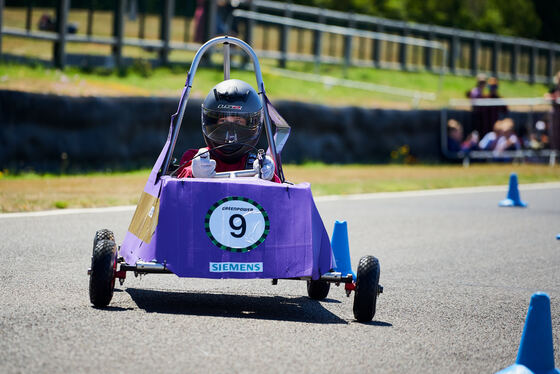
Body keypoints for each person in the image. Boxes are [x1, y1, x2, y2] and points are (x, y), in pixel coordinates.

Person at [175, 79, 279, 182]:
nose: (230, 132)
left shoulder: (258, 164)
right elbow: (176, 191)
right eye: (223, 121)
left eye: (238, 122)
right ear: (212, 123)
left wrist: (270, 177)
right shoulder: (195, 158)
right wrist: (192, 174)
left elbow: (279, 196)